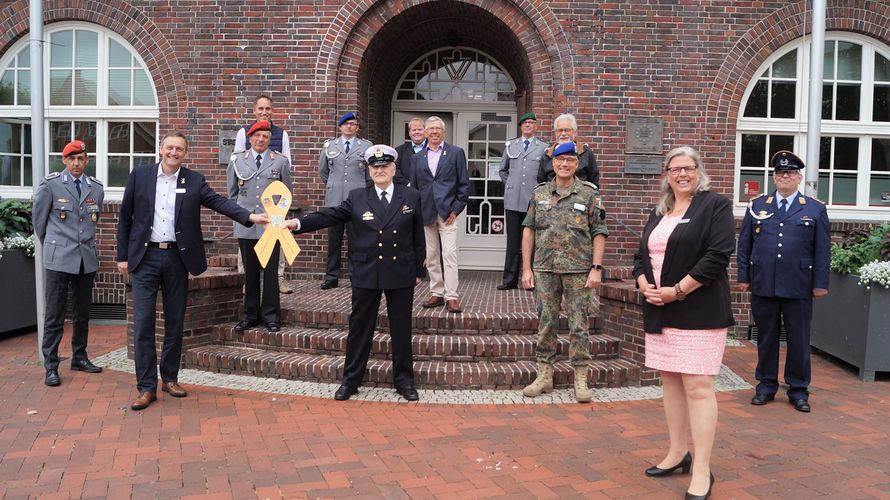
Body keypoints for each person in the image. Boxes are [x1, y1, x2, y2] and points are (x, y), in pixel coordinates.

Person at [117, 132, 268, 411]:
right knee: (143, 324)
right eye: (170, 147)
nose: (174, 153)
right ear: (161, 149)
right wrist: (122, 256)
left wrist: (249, 216)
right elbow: (125, 216)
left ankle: (170, 377)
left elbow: (219, 202)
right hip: (145, 258)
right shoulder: (140, 175)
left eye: (180, 149)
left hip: (177, 258)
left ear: (185, 154)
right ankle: (146, 386)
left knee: (175, 322)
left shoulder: (193, 180)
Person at [633, 146, 735, 500]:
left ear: (698, 170)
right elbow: (640, 255)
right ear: (667, 173)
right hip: (660, 309)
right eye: (675, 169)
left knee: (699, 387)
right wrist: (645, 284)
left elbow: (718, 255)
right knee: (671, 383)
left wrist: (678, 290)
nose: (682, 174)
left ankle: (703, 469)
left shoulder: (714, 206)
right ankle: (678, 454)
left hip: (698, 309)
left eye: (688, 168)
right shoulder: (659, 210)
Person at [285, 145, 425, 401]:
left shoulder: (411, 195)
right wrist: (298, 223)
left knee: (401, 328)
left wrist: (418, 269)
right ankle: (351, 381)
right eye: (375, 167)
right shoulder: (358, 196)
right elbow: (331, 215)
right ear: (369, 171)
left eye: (384, 166)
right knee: (360, 328)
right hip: (366, 270)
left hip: (400, 270)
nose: (380, 170)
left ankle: (404, 381)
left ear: (394, 169)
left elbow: (418, 236)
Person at [737, 150, 830, 413]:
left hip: (799, 283)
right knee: (766, 337)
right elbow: (744, 244)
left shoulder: (814, 208)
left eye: (789, 172)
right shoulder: (758, 205)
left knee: (799, 339)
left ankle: (798, 390)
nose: (784, 176)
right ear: (774, 177)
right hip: (764, 282)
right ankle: (766, 386)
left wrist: (820, 283)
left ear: (799, 177)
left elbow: (822, 250)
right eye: (780, 172)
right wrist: (744, 276)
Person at [520, 142, 608, 403]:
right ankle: (544, 376)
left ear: (577, 164)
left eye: (570, 160)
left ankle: (580, 379)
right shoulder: (540, 194)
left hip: (579, 270)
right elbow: (529, 230)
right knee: (546, 323)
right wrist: (526, 268)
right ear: (553, 164)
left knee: (578, 325)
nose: (565, 164)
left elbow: (599, 232)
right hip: (545, 269)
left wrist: (596, 268)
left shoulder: (589, 194)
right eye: (560, 161)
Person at [32, 140, 105, 386]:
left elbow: (92, 220)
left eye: (81, 158)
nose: (76, 163)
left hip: (86, 258)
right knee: (55, 313)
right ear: (64, 160)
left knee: (82, 312)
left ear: (87, 160)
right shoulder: (50, 184)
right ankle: (51, 365)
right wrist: (56, 246)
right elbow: (39, 224)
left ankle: (79, 356)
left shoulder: (95, 187)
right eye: (72, 158)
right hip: (59, 259)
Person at [228, 120, 292, 333]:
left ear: (269, 138)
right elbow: (232, 195)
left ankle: (271, 316)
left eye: (265, 136)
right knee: (251, 272)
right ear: (250, 137)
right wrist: (244, 217)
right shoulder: (237, 160)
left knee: (272, 272)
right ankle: (250, 315)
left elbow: (286, 194)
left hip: (271, 227)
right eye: (257, 136)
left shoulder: (280, 162)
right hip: (246, 225)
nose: (261, 139)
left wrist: (279, 219)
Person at [234, 94, 294, 294]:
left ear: (272, 111)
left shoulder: (281, 134)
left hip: (273, 204)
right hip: (249, 205)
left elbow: (287, 166)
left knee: (276, 249)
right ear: (254, 111)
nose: (264, 112)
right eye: (260, 108)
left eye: (268, 108)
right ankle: (246, 281)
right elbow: (238, 167)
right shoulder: (243, 133)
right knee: (247, 251)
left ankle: (278, 279)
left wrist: (279, 206)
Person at [409, 116, 470, 313]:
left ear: (444, 132)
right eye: (431, 129)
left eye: (438, 129)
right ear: (426, 132)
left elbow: (464, 185)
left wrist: (456, 209)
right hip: (426, 213)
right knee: (432, 255)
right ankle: (436, 293)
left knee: (449, 255)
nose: (434, 132)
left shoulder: (455, 153)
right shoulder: (417, 158)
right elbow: (414, 188)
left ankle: (451, 296)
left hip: (447, 213)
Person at [317, 112, 370, 289]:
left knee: (356, 240)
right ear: (340, 127)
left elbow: (369, 175)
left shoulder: (367, 146)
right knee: (334, 240)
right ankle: (331, 277)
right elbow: (323, 172)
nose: (349, 126)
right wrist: (335, 185)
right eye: (346, 123)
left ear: (357, 128)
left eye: (353, 124)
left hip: (357, 199)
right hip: (335, 200)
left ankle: (356, 275)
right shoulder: (329, 146)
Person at [498, 112, 547, 290]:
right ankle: (509, 280)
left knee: (532, 239)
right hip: (512, 200)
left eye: (531, 123)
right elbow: (502, 170)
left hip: (532, 201)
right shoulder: (511, 145)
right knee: (513, 240)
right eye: (525, 123)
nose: (528, 125)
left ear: (536, 126)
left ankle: (530, 279)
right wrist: (510, 183)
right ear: (520, 126)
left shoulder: (543, 147)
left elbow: (545, 173)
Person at [536, 113, 600, 186]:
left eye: (567, 130)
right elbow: (541, 180)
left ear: (575, 133)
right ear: (555, 133)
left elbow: (593, 179)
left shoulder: (585, 153)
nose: (563, 134)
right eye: (560, 130)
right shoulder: (547, 154)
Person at [394, 116, 426, 185]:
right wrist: (408, 184)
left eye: (420, 129)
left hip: (428, 191)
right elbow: (394, 170)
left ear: (425, 131)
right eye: (414, 130)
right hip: (406, 191)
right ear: (409, 133)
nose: (417, 132)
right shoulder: (399, 151)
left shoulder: (433, 149)